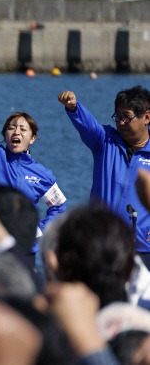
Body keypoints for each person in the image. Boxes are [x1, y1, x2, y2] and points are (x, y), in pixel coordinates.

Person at [0, 84, 67, 251]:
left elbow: (59, 207)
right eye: (11, 128)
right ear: (5, 135)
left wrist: (38, 230)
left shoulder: (42, 174)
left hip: (23, 249)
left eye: (23, 129)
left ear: (32, 138)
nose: (16, 132)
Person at [59, 87, 150, 268]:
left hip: (143, 249)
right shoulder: (104, 140)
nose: (121, 122)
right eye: (117, 116)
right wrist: (73, 107)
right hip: (101, 243)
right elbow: (88, 125)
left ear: (146, 117)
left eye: (126, 116)